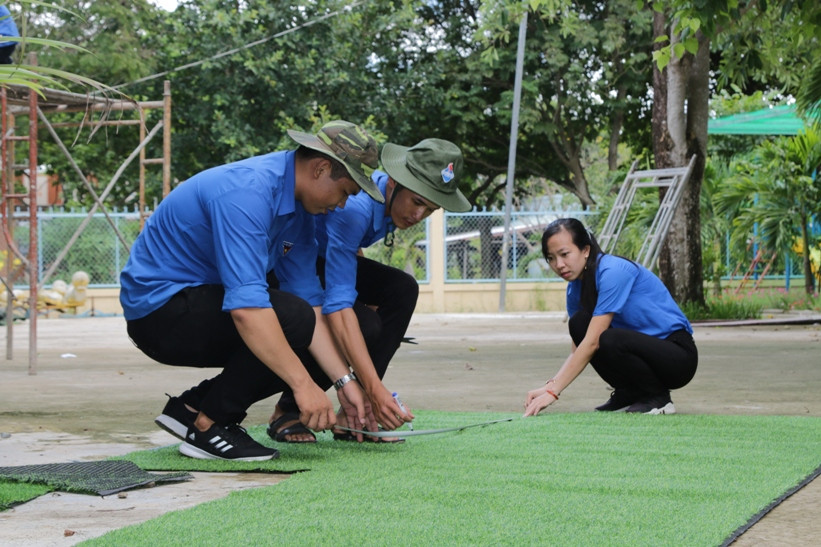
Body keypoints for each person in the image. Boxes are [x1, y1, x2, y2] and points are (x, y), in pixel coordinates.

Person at [120, 120, 384, 461]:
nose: (343, 205)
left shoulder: (298, 211)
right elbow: (248, 309)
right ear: (321, 168)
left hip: (204, 303)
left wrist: (344, 384)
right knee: (290, 317)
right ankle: (210, 427)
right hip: (159, 313)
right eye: (346, 192)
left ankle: (193, 407)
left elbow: (313, 306)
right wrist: (304, 386)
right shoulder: (248, 190)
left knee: (309, 320)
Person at [268, 138, 471, 443]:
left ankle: (356, 415)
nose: (419, 216)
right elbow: (337, 300)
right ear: (393, 182)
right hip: (288, 265)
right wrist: (376, 388)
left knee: (401, 288)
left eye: (429, 210)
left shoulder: (384, 207)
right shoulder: (357, 206)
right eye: (417, 202)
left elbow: (346, 253)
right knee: (361, 326)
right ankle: (287, 410)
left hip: (325, 261)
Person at [523, 218, 697, 417]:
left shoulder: (613, 271)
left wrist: (553, 393)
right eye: (551, 258)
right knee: (579, 324)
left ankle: (658, 398)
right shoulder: (574, 290)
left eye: (564, 254)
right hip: (638, 352)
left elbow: (592, 343)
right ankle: (630, 393)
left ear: (585, 250)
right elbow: (578, 350)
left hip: (677, 356)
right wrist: (550, 386)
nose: (558, 264)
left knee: (605, 338)